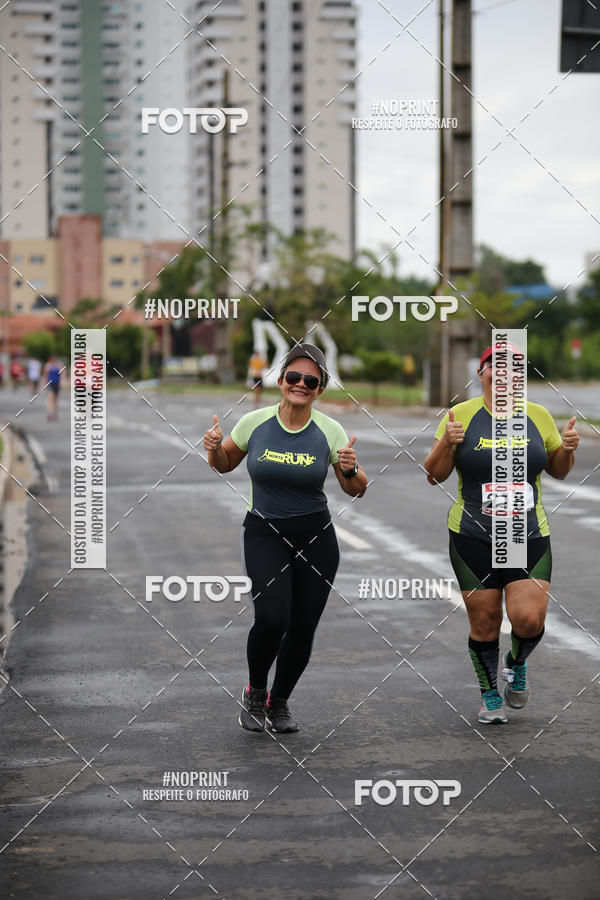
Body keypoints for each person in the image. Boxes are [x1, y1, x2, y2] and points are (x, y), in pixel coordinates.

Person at [203, 343, 368, 734]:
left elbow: (356, 489)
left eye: (310, 380)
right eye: (293, 377)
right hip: (265, 532)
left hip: (316, 537)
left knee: (302, 626)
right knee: (273, 617)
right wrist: (212, 450)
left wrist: (350, 468)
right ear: (280, 380)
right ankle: (255, 691)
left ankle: (280, 703)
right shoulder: (255, 423)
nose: (300, 384)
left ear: (320, 389)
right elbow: (225, 464)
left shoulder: (330, 430)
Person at [424, 344, 579, 724]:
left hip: (525, 532)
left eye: (515, 368)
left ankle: (516, 662)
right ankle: (490, 694)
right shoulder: (460, 415)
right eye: (496, 366)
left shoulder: (538, 416)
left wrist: (568, 448)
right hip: (473, 532)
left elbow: (559, 470)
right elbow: (434, 474)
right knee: (485, 622)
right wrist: (447, 441)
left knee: (528, 620)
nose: (505, 373)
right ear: (482, 373)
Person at [43, 355, 62, 421]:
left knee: (55, 400)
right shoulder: (48, 366)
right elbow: (45, 375)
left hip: (56, 383)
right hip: (50, 383)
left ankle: (55, 414)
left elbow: (62, 375)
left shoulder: (58, 366)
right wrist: (44, 384)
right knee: (50, 399)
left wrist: (62, 382)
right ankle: (49, 414)